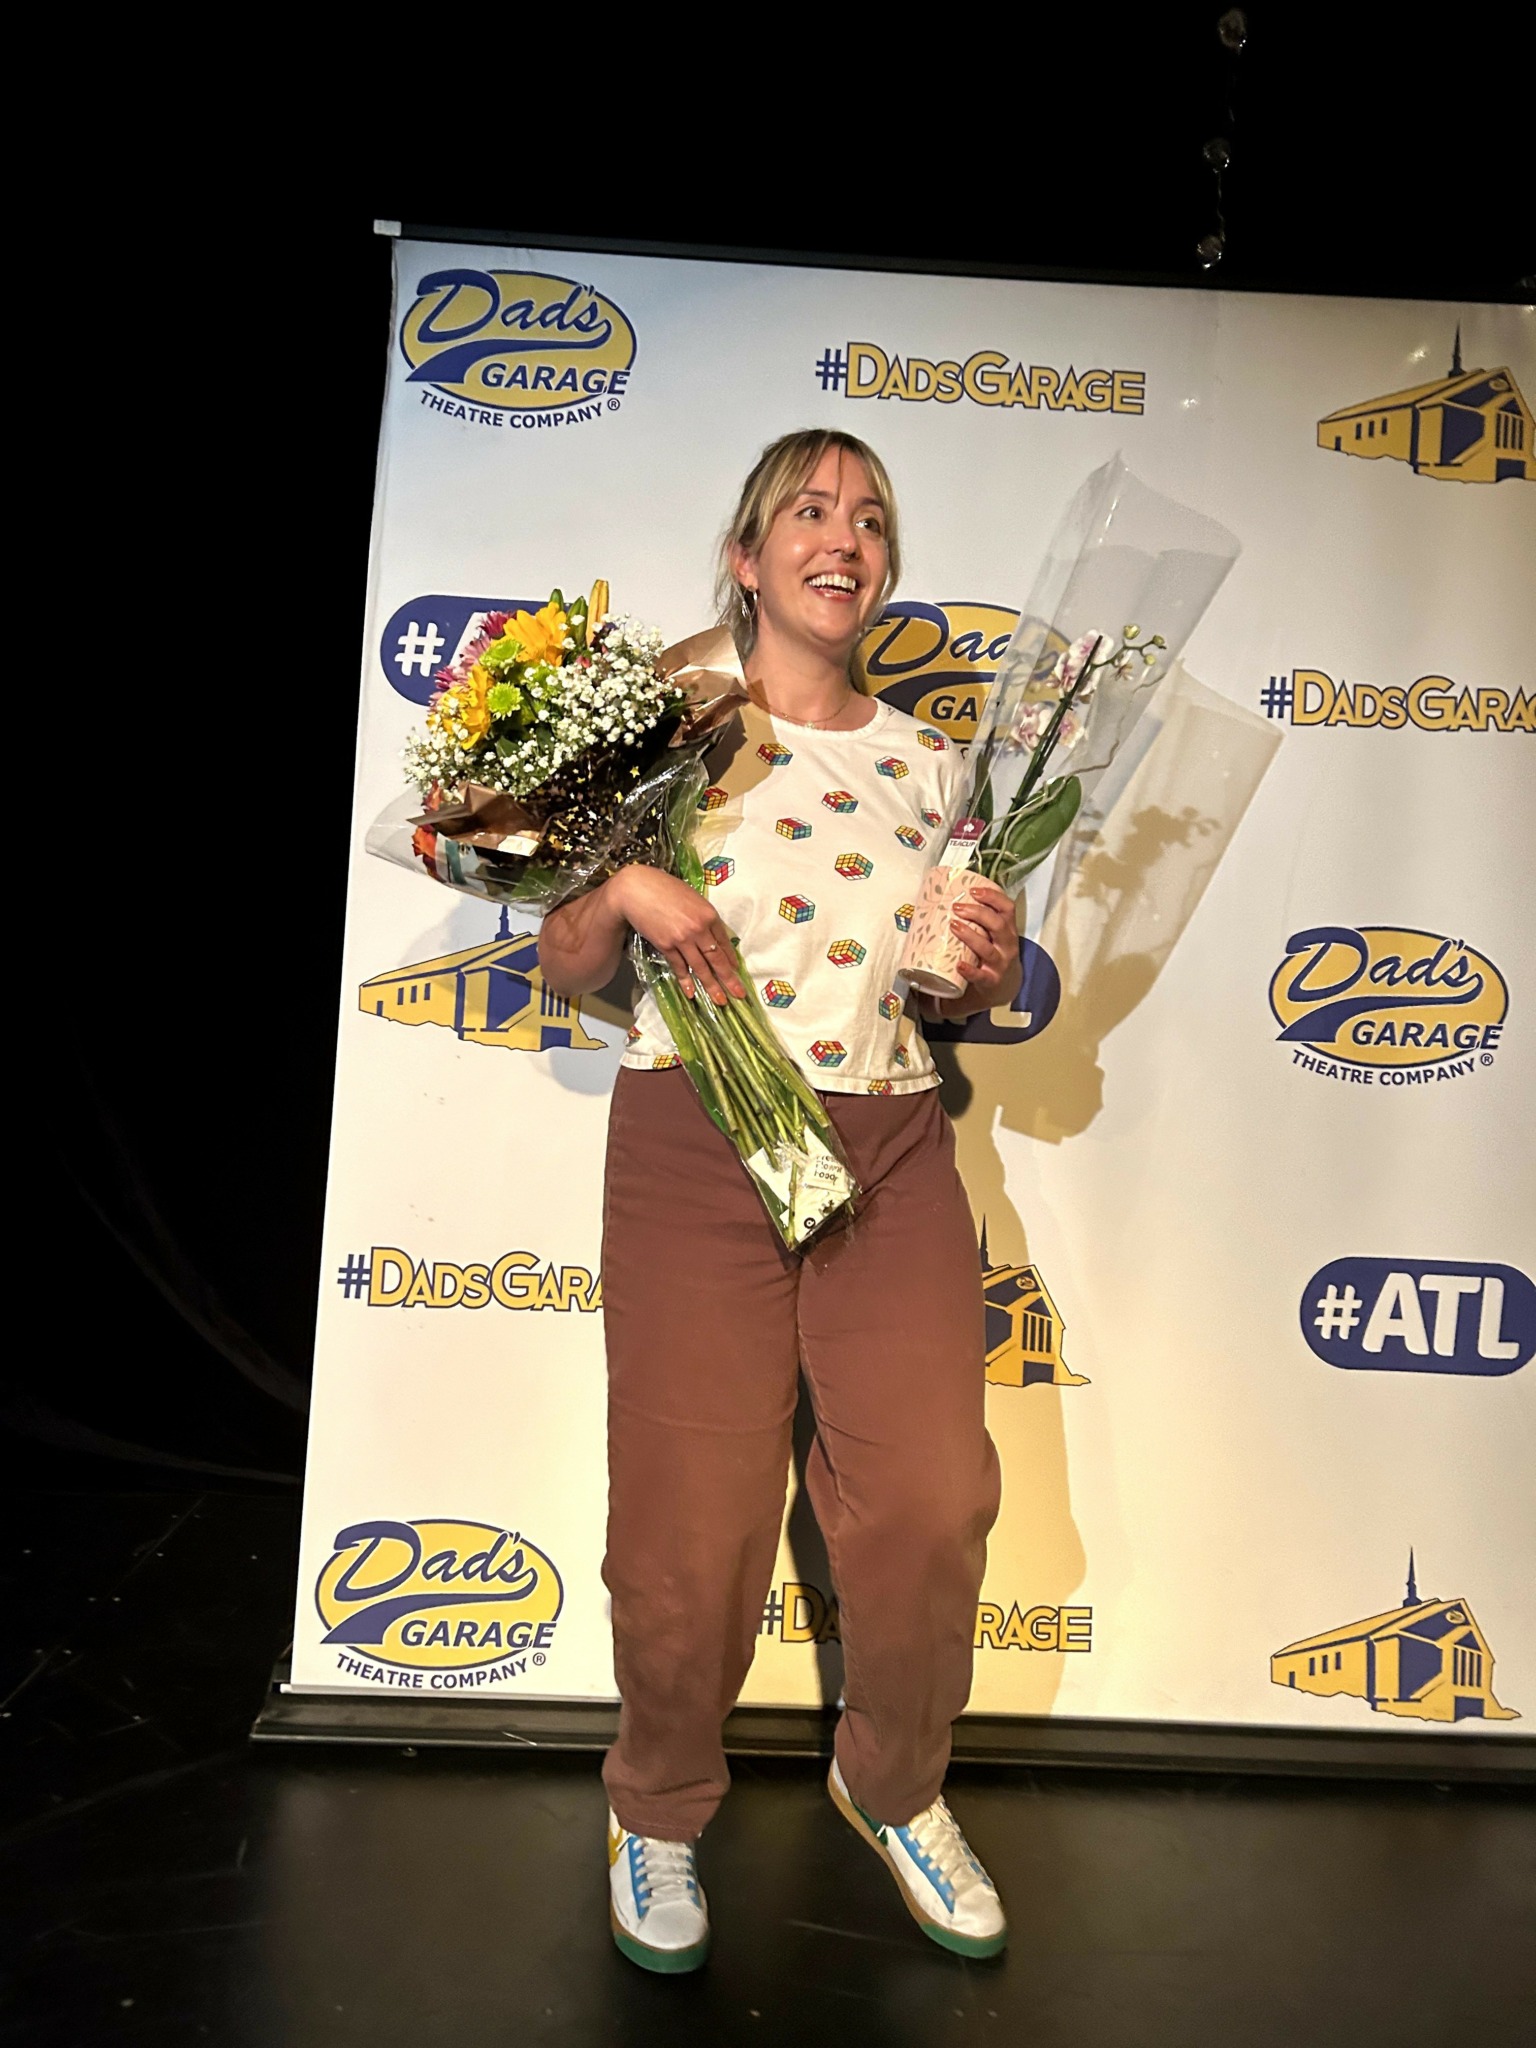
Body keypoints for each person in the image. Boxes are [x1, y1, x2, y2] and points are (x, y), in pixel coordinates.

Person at [538, 429, 1021, 1973]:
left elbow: (951, 992)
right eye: (810, 511)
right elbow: (561, 962)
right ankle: (658, 1807)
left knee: (934, 1498)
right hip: (700, 1138)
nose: (845, 538)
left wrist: (980, 965)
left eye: (870, 518)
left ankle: (895, 1788)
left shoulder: (935, 763)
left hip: (887, 1140)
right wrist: (623, 884)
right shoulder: (667, 728)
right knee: (692, 1522)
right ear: (748, 558)